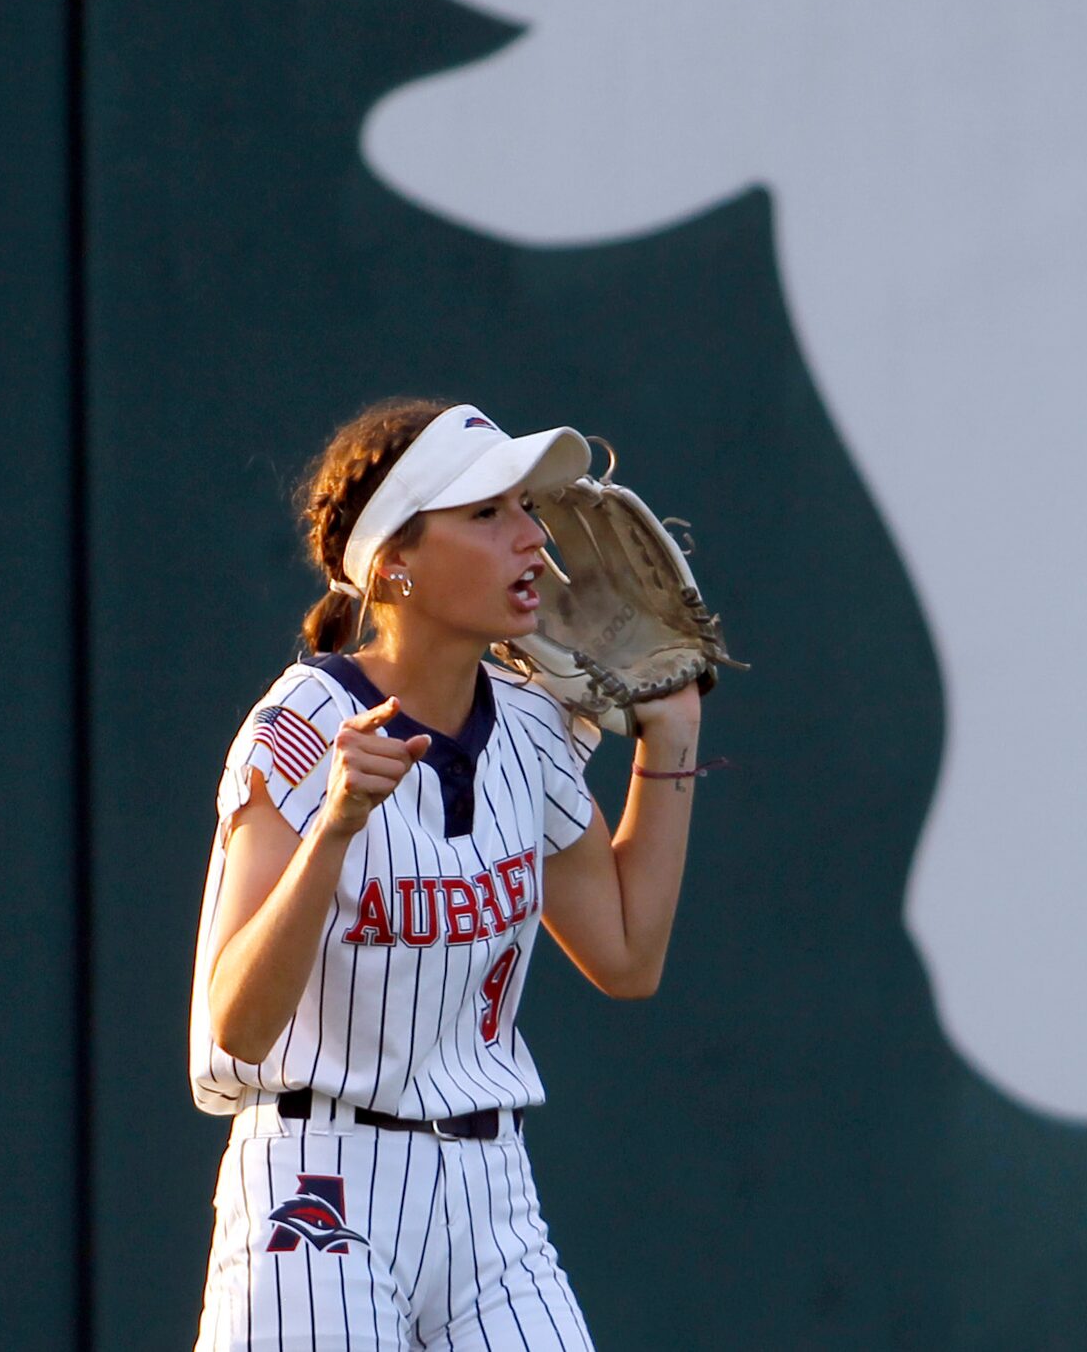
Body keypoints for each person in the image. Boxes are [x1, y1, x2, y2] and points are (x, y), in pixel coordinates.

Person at [188, 397, 711, 1352]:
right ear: (395, 561)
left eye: (523, 509)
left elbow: (628, 958)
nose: (530, 538)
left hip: (490, 1195)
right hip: (319, 1183)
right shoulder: (306, 725)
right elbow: (242, 1025)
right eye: (487, 514)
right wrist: (336, 827)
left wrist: (667, 742)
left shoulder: (528, 726)